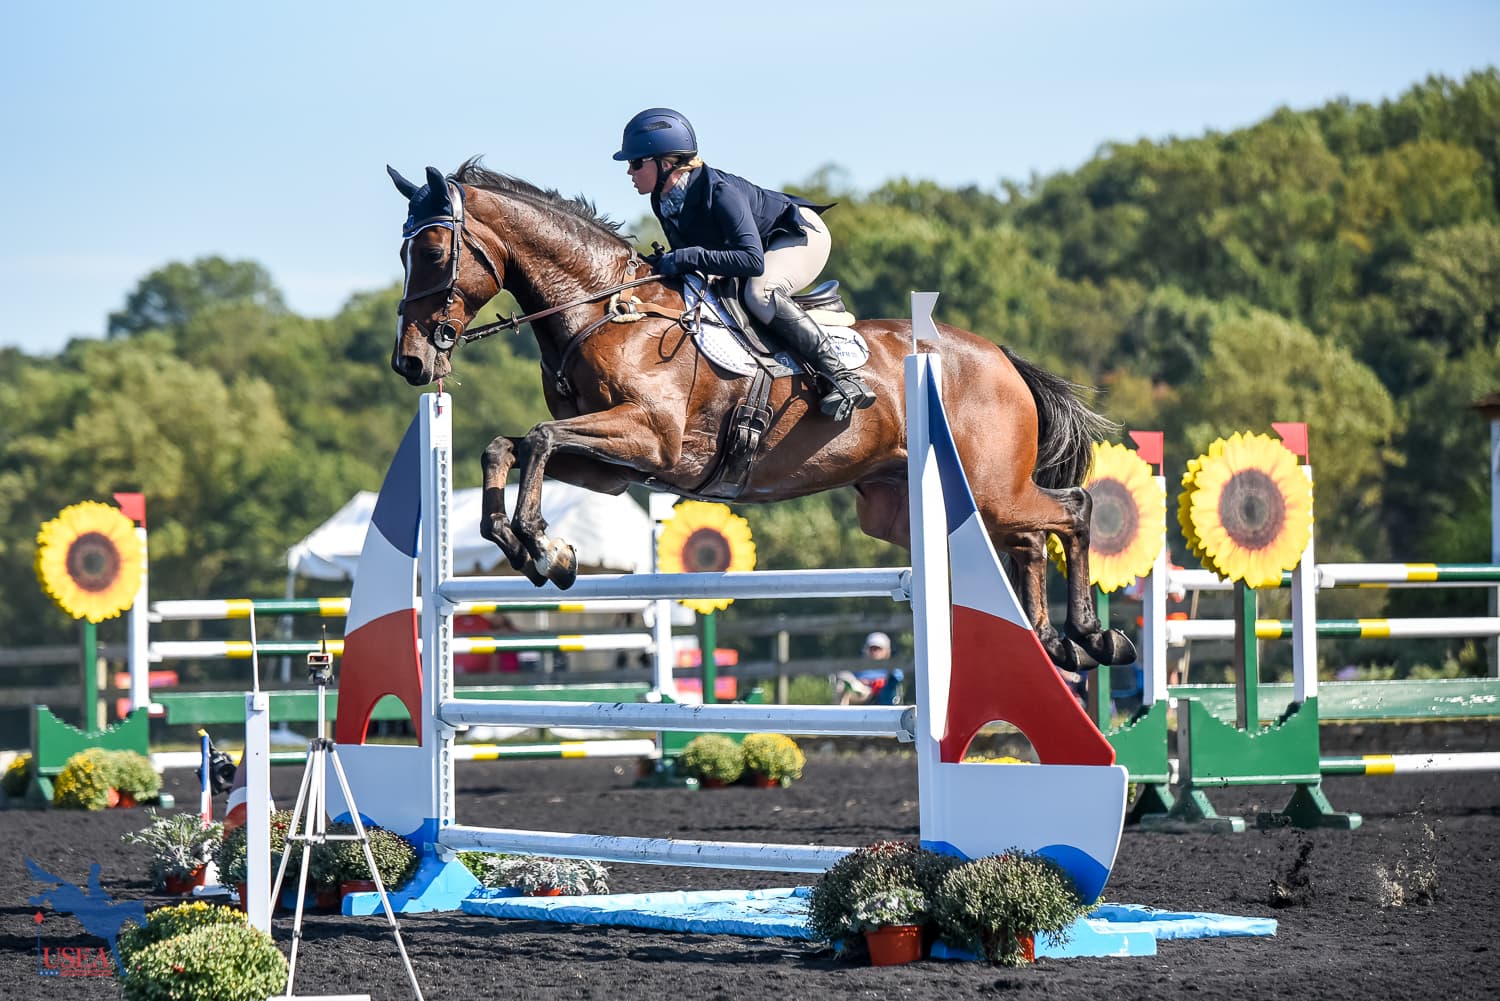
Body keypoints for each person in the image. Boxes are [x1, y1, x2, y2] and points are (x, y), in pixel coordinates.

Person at [613, 107, 876, 421]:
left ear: (665, 163)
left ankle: (842, 376)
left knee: (759, 293)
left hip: (800, 235)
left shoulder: (720, 192)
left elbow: (750, 261)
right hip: (756, 247)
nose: (629, 172)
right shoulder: (662, 199)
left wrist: (686, 257)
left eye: (636, 163)